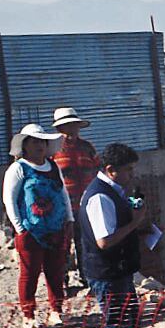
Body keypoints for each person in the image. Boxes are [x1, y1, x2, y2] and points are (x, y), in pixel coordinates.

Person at [78, 143, 162, 328]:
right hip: (108, 273)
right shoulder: (100, 197)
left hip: (120, 270)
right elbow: (104, 241)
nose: (131, 174)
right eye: (128, 169)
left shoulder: (114, 192)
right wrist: (135, 223)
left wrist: (139, 225)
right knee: (117, 326)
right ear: (111, 169)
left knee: (130, 324)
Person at [4, 123, 74, 328]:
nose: (39, 146)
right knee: (30, 274)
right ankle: (28, 316)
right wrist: (20, 229)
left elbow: (63, 194)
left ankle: (56, 310)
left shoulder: (53, 167)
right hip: (31, 231)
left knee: (55, 272)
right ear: (24, 145)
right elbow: (10, 200)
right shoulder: (18, 169)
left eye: (42, 141)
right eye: (34, 142)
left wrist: (69, 219)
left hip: (56, 229)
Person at [51, 106, 99, 286]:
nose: (71, 130)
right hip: (62, 207)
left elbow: (97, 170)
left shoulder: (87, 148)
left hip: (85, 205)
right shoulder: (53, 151)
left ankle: (88, 278)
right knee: (62, 245)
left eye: (74, 125)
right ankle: (61, 282)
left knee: (86, 243)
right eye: (67, 126)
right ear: (59, 129)